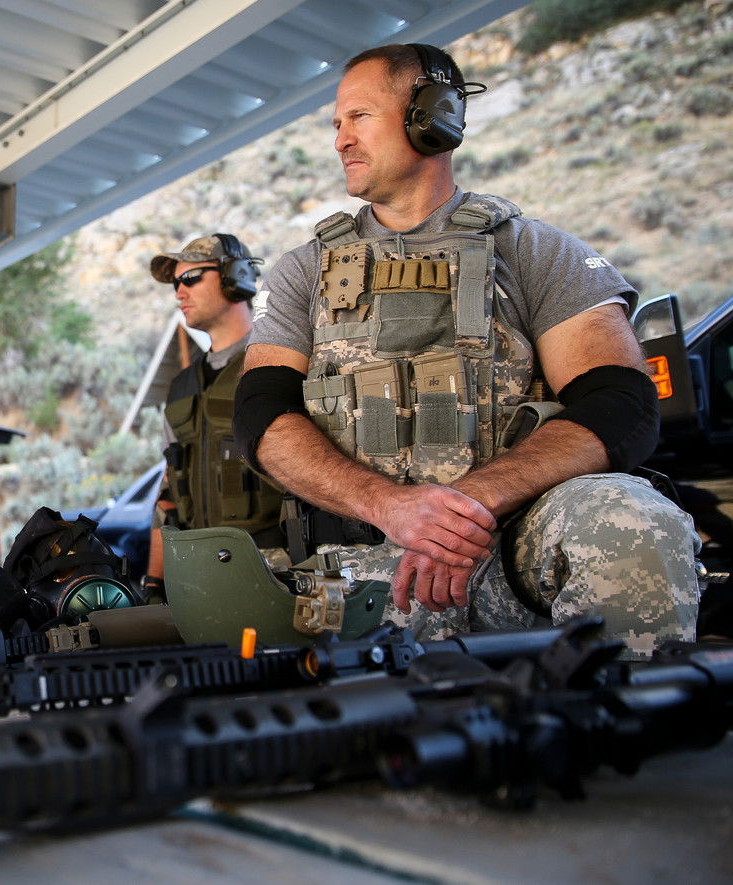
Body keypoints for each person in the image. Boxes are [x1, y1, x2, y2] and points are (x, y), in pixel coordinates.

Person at [234, 44, 699, 660]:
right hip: (361, 562)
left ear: (434, 116)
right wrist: (393, 508)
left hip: (509, 543)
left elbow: (621, 403)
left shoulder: (534, 252)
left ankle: (628, 725)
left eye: (359, 117)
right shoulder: (303, 272)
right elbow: (260, 414)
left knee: (634, 517)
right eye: (336, 124)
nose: (341, 139)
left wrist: (469, 505)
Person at [141, 235, 286, 602]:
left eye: (189, 278)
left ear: (233, 276)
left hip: (278, 569)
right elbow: (167, 494)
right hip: (200, 576)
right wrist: (155, 584)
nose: (179, 293)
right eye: (175, 284)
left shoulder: (278, 364)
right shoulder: (181, 387)